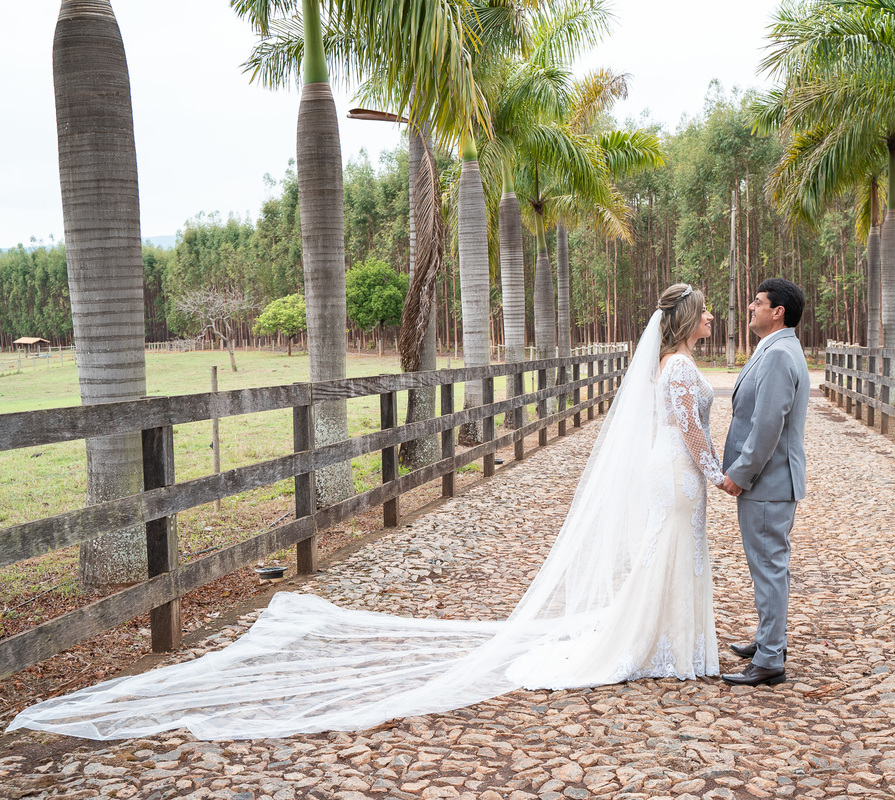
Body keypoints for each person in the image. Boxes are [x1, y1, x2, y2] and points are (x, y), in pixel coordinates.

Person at [6, 284, 731, 741]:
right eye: (705, 315)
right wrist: (716, 470)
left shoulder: (665, 365)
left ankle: (664, 638)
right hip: (679, 472)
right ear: (691, 322)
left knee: (668, 552)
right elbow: (692, 432)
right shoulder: (678, 369)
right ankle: (654, 641)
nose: (710, 321)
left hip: (668, 472)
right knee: (670, 550)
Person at [718, 278, 809, 687]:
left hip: (768, 482)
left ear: (778, 312)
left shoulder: (779, 354)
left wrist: (741, 473)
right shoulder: (775, 347)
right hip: (770, 483)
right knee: (770, 567)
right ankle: (769, 638)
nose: (750, 308)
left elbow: (768, 424)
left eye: (757, 303)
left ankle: (771, 658)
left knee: (770, 568)